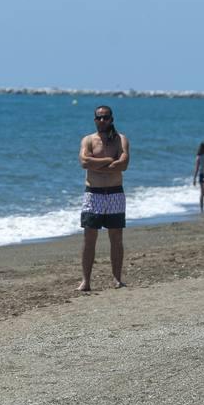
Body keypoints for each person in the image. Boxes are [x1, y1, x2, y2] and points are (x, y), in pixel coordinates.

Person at [77, 105, 130, 291]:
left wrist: (96, 164)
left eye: (105, 117)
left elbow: (123, 164)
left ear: (111, 119)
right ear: (94, 119)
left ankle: (117, 278)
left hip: (115, 193)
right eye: (99, 117)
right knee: (89, 237)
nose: (102, 120)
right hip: (94, 194)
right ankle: (86, 281)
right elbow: (84, 162)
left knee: (116, 237)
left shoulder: (120, 139)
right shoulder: (89, 140)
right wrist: (109, 161)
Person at [192, 142, 204, 212]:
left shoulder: (198, 157)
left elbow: (196, 169)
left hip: (201, 175)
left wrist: (194, 179)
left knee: (202, 193)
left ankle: (201, 209)